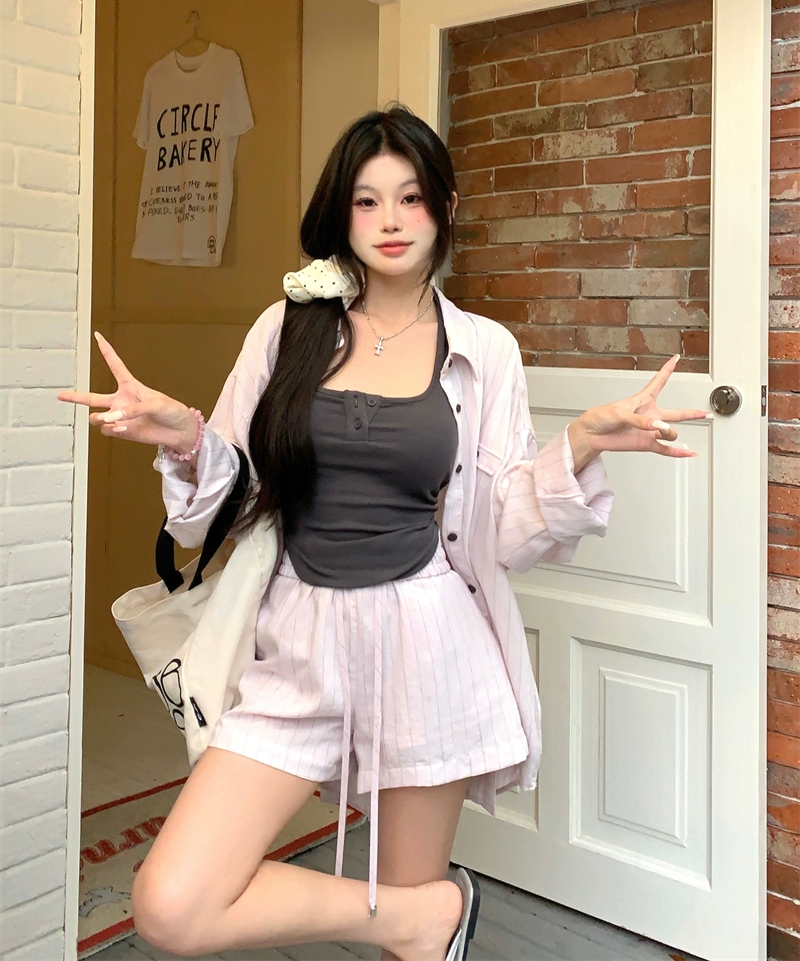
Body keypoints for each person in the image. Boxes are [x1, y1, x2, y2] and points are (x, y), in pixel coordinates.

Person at [59, 106, 710, 961]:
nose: (391, 220)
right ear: (343, 214)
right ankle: (430, 915)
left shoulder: (483, 349)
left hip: (427, 642)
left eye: (410, 197)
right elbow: (234, 500)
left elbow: (504, 529)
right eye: (367, 201)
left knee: (405, 944)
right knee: (172, 905)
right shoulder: (285, 328)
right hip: (296, 642)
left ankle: (417, 923)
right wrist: (187, 438)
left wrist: (579, 444)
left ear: (444, 207)